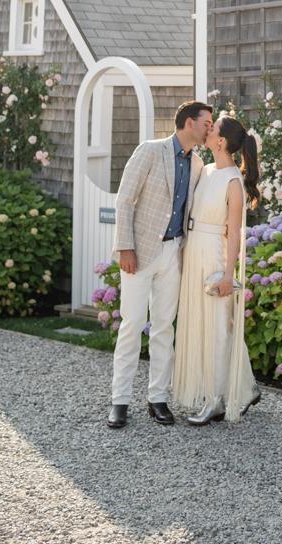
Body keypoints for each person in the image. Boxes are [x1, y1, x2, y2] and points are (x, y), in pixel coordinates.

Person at [106, 100, 212, 429]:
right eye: (206, 122)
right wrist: (125, 246)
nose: (210, 127)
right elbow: (124, 199)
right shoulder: (150, 150)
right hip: (139, 252)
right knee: (132, 325)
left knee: (165, 328)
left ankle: (158, 399)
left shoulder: (198, 164)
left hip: (173, 253)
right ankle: (120, 402)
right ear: (189, 122)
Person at [172, 113, 261, 424]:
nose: (207, 131)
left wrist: (228, 275)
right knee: (202, 322)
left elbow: (235, 233)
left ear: (221, 141)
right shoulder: (206, 170)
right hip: (194, 249)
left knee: (218, 329)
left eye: (213, 129)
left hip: (214, 255)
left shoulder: (233, 181)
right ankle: (244, 388)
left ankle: (217, 400)